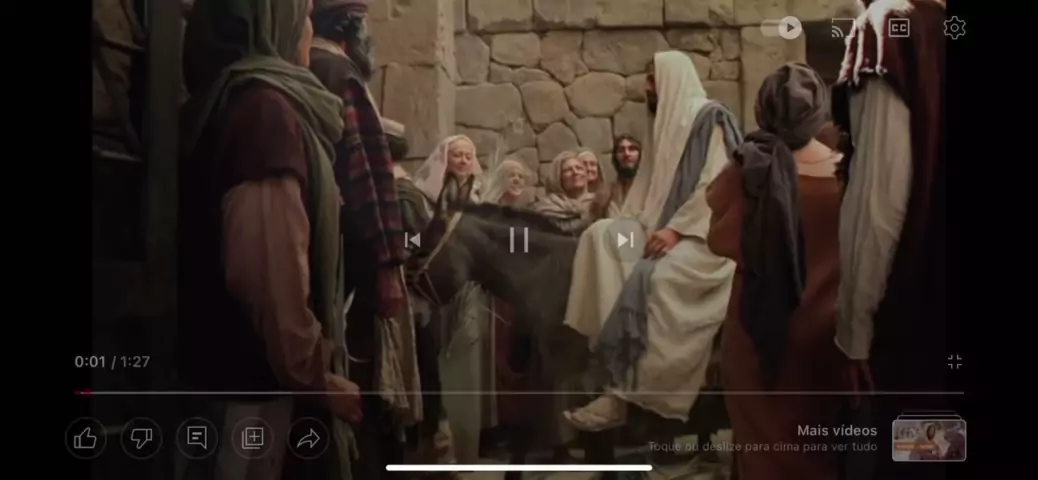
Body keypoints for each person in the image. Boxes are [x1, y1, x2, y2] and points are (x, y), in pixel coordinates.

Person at [177, 0, 360, 478]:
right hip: (246, 386)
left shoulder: (230, 99)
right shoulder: (264, 112)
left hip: (228, 377)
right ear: (272, 22)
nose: (308, 30)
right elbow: (269, 268)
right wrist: (314, 376)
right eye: (302, 15)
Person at [561, 51, 741, 430]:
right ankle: (610, 351)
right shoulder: (660, 122)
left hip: (702, 237)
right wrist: (630, 223)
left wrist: (677, 230)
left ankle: (626, 392)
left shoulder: (710, 119)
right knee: (600, 236)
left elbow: (715, 185)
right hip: (657, 227)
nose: (647, 87)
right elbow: (647, 185)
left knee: (659, 279)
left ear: (672, 78)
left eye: (652, 79)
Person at [706, 63, 846, 480]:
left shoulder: (748, 167)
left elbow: (719, 239)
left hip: (757, 335)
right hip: (827, 339)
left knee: (762, 456)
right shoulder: (848, 172)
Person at [835, 1, 946, 478]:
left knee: (912, 460)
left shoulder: (890, 28)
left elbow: (879, 198)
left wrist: (854, 331)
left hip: (917, 311)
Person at [307, 1, 417, 476]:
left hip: (317, 252)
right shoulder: (341, 73)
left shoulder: (306, 66)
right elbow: (367, 179)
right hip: (350, 263)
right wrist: (389, 263)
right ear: (352, 30)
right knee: (360, 385)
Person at [414, 135, 492, 464]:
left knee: (468, 365)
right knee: (437, 362)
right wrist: (414, 245)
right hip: (434, 287)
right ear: (445, 159)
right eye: (457, 155)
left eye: (468, 156)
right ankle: (441, 447)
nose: (463, 160)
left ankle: (468, 448)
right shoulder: (426, 196)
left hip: (471, 289)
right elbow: (412, 236)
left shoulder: (481, 197)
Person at [531, 151, 595, 233]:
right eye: (568, 170)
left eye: (579, 168)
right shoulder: (545, 207)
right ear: (558, 177)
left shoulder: (600, 202)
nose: (575, 172)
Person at [590, 135, 642, 220]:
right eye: (621, 150)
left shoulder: (651, 189)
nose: (627, 154)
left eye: (632, 149)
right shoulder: (605, 193)